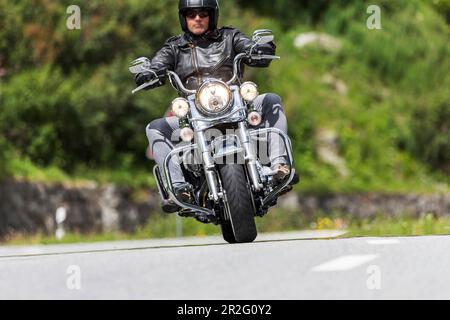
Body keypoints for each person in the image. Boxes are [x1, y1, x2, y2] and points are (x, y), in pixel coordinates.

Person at [135, 0, 293, 211]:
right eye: (192, 14)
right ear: (184, 18)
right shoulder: (174, 47)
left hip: (236, 107)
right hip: (194, 116)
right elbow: (158, 63)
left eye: (203, 13)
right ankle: (178, 187)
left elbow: (247, 46)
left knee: (271, 100)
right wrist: (150, 72)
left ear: (212, 16)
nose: (197, 18)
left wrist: (258, 48)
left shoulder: (230, 37)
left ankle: (279, 165)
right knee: (155, 127)